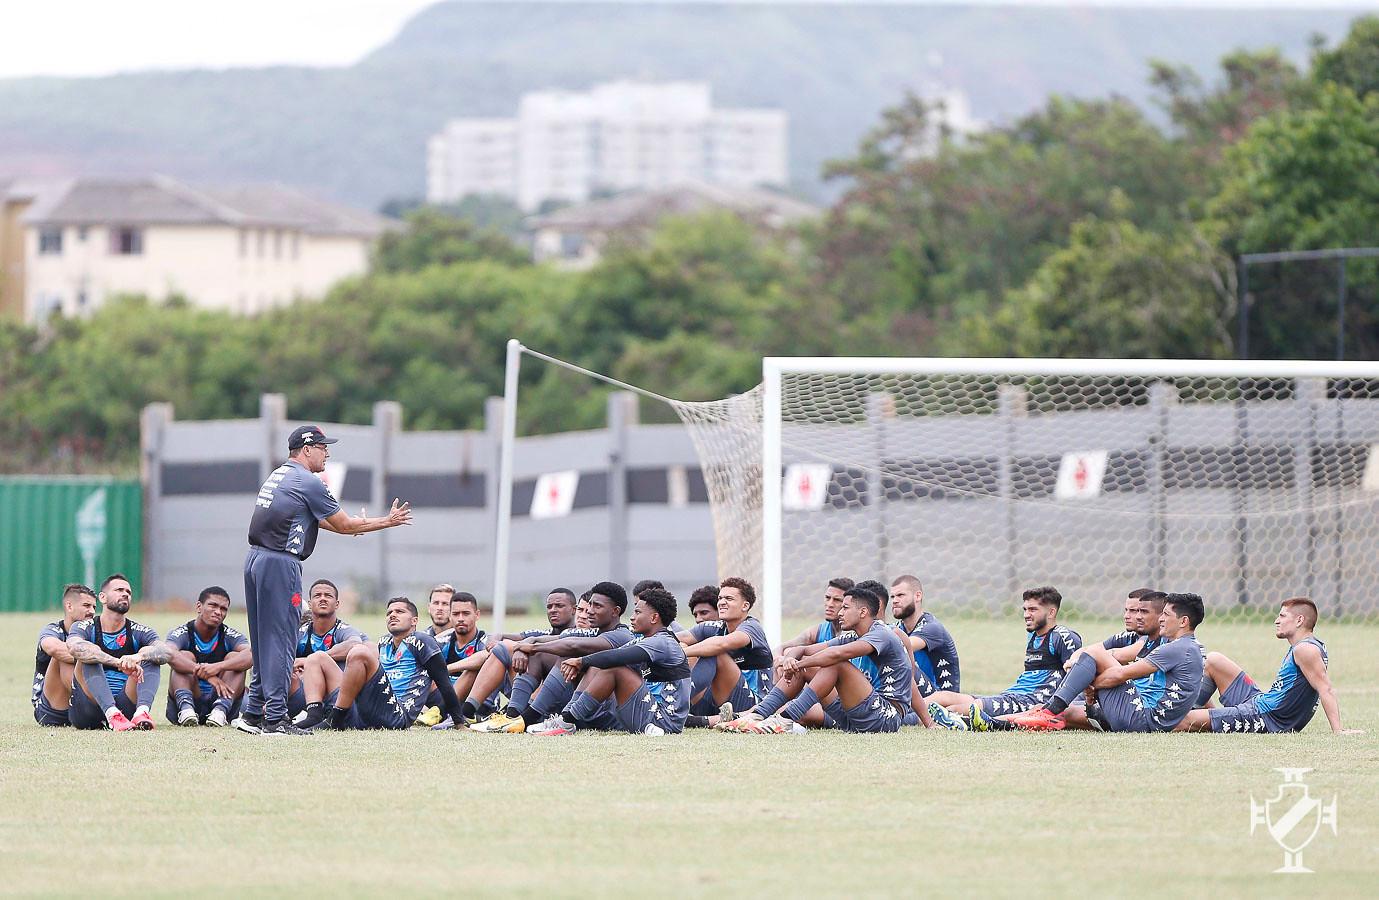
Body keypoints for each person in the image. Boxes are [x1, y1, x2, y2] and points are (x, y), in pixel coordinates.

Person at [239, 424, 413, 737]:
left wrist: (355, 527)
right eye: (322, 447)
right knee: (281, 639)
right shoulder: (309, 481)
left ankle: (252, 713)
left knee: (263, 638)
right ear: (306, 450)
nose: (327, 452)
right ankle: (276, 719)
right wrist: (386, 521)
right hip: (281, 563)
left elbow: (319, 520)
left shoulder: (279, 475)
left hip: (256, 559)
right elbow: (343, 523)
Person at [1007, 592, 1204, 733]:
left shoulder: (1178, 648)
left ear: (1183, 621)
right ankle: (1001, 722)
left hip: (1143, 720)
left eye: (1166, 615)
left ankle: (1049, 711)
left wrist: (1090, 684)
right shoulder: (1186, 647)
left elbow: (1120, 674)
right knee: (1066, 713)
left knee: (1095, 653)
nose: (1161, 619)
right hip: (1145, 719)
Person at [727, 585, 913, 734]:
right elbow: (803, 649)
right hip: (855, 717)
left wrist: (798, 664)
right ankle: (757, 715)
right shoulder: (854, 635)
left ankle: (785, 719)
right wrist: (790, 661)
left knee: (835, 664)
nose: (839, 613)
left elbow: (836, 655)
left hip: (886, 719)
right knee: (811, 666)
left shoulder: (881, 633)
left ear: (863, 612)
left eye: (845, 608)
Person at [1177, 598, 1358, 734]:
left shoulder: (1305, 650)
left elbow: (1325, 689)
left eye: (1282, 615)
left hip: (1266, 718)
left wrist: (1338, 731)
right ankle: (1205, 714)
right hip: (1260, 703)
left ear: (1299, 620)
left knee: (1181, 721)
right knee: (1214, 660)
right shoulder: (1308, 645)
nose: (1276, 621)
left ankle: (1194, 716)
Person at [297, 597, 466, 730]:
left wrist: (458, 722)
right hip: (365, 712)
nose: (392, 615)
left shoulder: (423, 641)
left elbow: (444, 682)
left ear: (414, 620)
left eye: (399, 611)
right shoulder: (383, 642)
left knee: (359, 652)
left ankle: (335, 719)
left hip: (396, 715)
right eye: (389, 612)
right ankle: (314, 716)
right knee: (317, 657)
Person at [925, 586, 1081, 730]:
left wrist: (1057, 708)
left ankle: (939, 721)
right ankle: (904, 711)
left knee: (954, 710)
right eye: (1025, 609)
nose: (1026, 614)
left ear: (1051, 612)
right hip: (1012, 696)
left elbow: (1077, 677)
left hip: (1032, 701)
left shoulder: (1062, 636)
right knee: (942, 697)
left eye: (1033, 609)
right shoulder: (1033, 636)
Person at [544, 587, 693, 735]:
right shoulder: (646, 640)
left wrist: (581, 661)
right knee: (602, 664)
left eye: (638, 612)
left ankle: (567, 722)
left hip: (665, 722)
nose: (632, 617)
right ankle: (566, 718)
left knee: (614, 669)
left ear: (654, 618)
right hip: (649, 714)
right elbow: (612, 654)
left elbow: (616, 656)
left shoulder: (662, 642)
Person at [514, 582, 634, 735]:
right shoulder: (595, 632)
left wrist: (532, 647)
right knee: (540, 655)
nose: (589, 611)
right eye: (588, 605)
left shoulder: (621, 635)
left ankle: (537, 718)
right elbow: (561, 638)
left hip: (612, 716)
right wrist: (528, 643)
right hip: (587, 711)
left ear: (615, 611)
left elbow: (573, 645)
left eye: (597, 606)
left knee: (583, 658)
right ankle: (514, 716)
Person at [66, 574, 174, 731]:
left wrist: (138, 656)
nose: (125, 594)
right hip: (88, 707)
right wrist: (118, 662)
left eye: (128, 592)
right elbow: (74, 647)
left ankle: (142, 713)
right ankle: (111, 714)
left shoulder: (139, 630)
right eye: (119, 590)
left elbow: (166, 652)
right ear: (102, 597)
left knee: (152, 656)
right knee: (89, 654)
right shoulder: (84, 626)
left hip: (125, 704)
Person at [463, 588, 582, 731]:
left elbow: (565, 642)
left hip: (558, 700)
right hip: (529, 696)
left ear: (574, 610)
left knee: (516, 650)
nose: (553, 610)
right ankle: (465, 714)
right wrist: (499, 644)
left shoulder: (580, 635)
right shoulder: (541, 633)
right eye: (549, 607)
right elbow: (497, 635)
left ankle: (510, 716)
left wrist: (523, 648)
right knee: (500, 649)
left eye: (559, 606)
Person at [678, 577, 774, 722]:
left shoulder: (752, 627)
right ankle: (682, 709)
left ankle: (676, 705)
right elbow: (675, 638)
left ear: (745, 606)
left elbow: (720, 645)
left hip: (751, 704)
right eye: (720, 598)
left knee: (714, 652)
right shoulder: (714, 627)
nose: (722, 602)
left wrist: (681, 653)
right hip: (718, 701)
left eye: (729, 598)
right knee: (682, 645)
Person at [165, 586, 253, 726]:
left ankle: (220, 711)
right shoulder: (182, 633)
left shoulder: (230, 635)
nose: (218, 612)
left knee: (234, 657)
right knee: (184, 655)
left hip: (220, 700)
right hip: (191, 698)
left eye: (223, 609)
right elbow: (168, 653)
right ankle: (186, 710)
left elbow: (251, 655)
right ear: (199, 607)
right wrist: (207, 674)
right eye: (213, 605)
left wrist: (217, 667)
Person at [32, 584, 98, 726]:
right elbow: (54, 649)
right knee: (67, 652)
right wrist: (101, 657)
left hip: (78, 708)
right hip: (50, 709)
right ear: (69, 607)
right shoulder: (53, 630)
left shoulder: (93, 632)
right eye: (86, 605)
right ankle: (101, 707)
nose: (91, 611)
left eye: (94, 607)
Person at [888, 574, 961, 694]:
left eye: (900, 595)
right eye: (892, 597)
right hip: (914, 700)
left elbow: (901, 646)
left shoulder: (932, 627)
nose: (895, 600)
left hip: (940, 703)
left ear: (918, 596)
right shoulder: (897, 628)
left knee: (896, 657)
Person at [779, 577, 852, 652]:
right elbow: (781, 647)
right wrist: (779, 657)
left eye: (837, 600)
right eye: (827, 598)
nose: (830, 604)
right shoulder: (821, 630)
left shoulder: (853, 634)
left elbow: (834, 659)